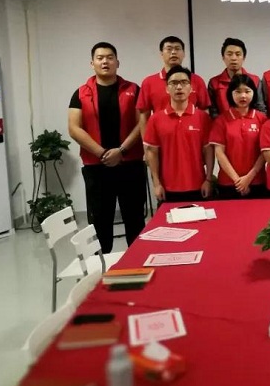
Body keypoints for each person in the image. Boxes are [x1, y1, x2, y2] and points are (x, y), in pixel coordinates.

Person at [68, 42, 146, 253]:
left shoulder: (133, 90)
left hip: (130, 165)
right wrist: (102, 153)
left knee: (135, 220)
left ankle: (138, 262)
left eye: (110, 57)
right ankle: (101, 267)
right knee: (100, 222)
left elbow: (142, 122)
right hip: (97, 168)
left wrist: (121, 151)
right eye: (100, 58)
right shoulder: (81, 93)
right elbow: (74, 128)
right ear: (92, 63)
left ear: (117, 62)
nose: (105, 61)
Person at [143, 66, 215, 203]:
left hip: (198, 186)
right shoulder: (155, 119)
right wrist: (157, 184)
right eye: (174, 83)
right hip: (167, 188)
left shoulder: (203, 118)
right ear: (167, 88)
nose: (179, 87)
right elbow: (152, 153)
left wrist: (208, 179)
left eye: (184, 82)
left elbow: (208, 150)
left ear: (191, 88)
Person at [209, 74, 267, 200]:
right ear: (230, 94)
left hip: (257, 181)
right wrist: (237, 180)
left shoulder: (262, 119)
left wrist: (249, 177)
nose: (243, 96)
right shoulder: (221, 120)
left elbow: (265, 152)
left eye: (247, 91)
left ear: (254, 93)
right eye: (238, 92)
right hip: (228, 183)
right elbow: (220, 153)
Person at [137, 36, 210, 135]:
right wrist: (147, 142)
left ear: (184, 53)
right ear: (161, 54)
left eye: (177, 49)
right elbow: (144, 116)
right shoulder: (148, 82)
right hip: (160, 137)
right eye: (169, 49)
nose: (173, 52)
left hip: (191, 136)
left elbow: (204, 111)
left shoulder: (197, 80)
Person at [208, 37, 264, 118]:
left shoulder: (255, 80)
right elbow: (213, 113)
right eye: (229, 54)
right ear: (223, 57)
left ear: (244, 57)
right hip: (224, 124)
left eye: (238, 54)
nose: (234, 58)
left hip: (251, 124)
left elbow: (260, 109)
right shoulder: (214, 83)